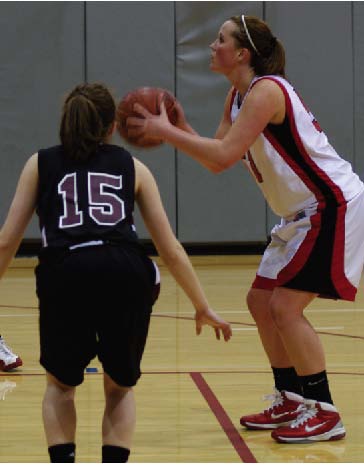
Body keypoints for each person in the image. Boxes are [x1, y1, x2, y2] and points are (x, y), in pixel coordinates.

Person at [127, 14, 364, 443]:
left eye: (220, 40)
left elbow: (222, 153)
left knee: (285, 308)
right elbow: (219, 157)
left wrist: (164, 131)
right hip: (299, 214)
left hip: (332, 205)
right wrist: (179, 129)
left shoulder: (266, 92)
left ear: (242, 53)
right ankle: (291, 397)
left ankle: (324, 410)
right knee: (260, 300)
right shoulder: (237, 97)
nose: (212, 46)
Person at [0, 82, 232, 462]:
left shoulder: (39, 164)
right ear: (112, 127)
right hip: (123, 271)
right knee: (120, 388)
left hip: (66, 270)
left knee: (60, 386)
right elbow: (170, 248)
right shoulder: (133, 166)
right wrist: (202, 304)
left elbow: (6, 243)